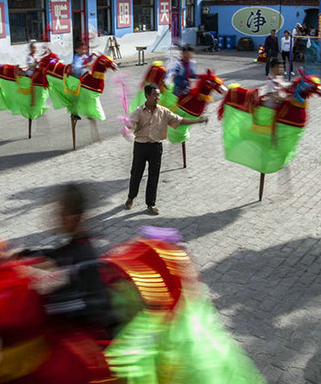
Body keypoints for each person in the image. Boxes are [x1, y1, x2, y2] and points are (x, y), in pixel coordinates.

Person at [20, 183, 116, 337]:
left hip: (93, 342)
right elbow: (53, 256)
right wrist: (22, 255)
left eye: (62, 210)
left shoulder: (78, 257)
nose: (58, 215)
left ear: (74, 217)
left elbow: (56, 260)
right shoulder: (81, 246)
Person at [126, 84, 208, 214]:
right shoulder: (138, 111)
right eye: (154, 95)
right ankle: (131, 197)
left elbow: (179, 120)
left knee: (154, 175)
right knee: (136, 174)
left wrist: (197, 121)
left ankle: (150, 204)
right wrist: (127, 129)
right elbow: (131, 124)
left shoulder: (164, 112)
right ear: (147, 96)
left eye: (158, 95)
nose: (157, 97)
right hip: (140, 146)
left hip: (156, 147)